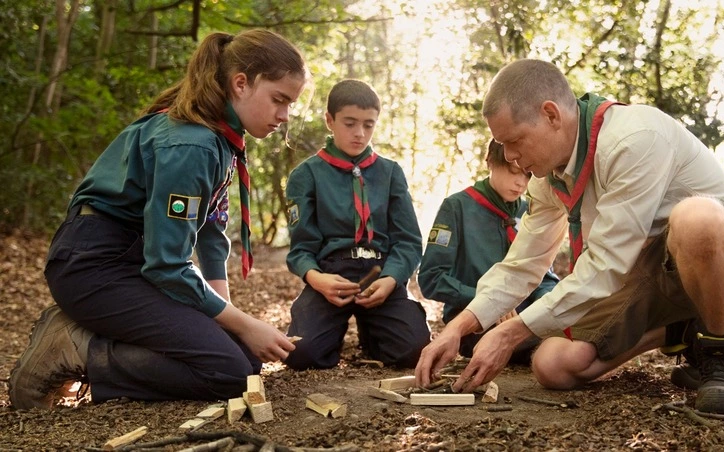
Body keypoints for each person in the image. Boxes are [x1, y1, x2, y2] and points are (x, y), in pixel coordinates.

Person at [415, 59, 724, 416]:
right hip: (643, 272)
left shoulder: (633, 139)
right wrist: (458, 328)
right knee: (552, 365)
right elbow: (523, 265)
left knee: (698, 218)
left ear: (551, 115)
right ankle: (681, 329)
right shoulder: (547, 179)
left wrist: (510, 333)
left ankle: (720, 354)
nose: (509, 156)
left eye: (514, 141)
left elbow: (605, 266)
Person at [8, 29, 309, 410]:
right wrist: (243, 323)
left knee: (245, 362)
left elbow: (211, 234)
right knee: (228, 373)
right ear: (241, 83)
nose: (284, 116)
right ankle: (76, 348)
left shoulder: (219, 138)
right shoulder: (192, 144)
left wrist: (228, 320)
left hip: (130, 264)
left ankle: (92, 339)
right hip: (93, 267)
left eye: (290, 105)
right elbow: (167, 264)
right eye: (279, 100)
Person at [283, 79, 430, 370]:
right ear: (330, 120)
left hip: (380, 272)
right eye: (349, 123)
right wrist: (318, 279)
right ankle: (330, 330)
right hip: (331, 275)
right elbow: (301, 248)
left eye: (368, 124)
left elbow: (409, 241)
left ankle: (372, 333)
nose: (360, 133)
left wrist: (391, 279)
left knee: (414, 350)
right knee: (302, 354)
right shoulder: (306, 175)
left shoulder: (390, 173)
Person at [418, 139, 559, 364]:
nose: (520, 183)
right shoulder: (457, 207)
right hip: (473, 321)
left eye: (527, 175)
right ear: (490, 162)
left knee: (566, 329)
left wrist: (549, 305)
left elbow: (544, 277)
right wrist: (488, 301)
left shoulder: (530, 211)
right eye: (513, 171)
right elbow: (431, 278)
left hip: (522, 316)